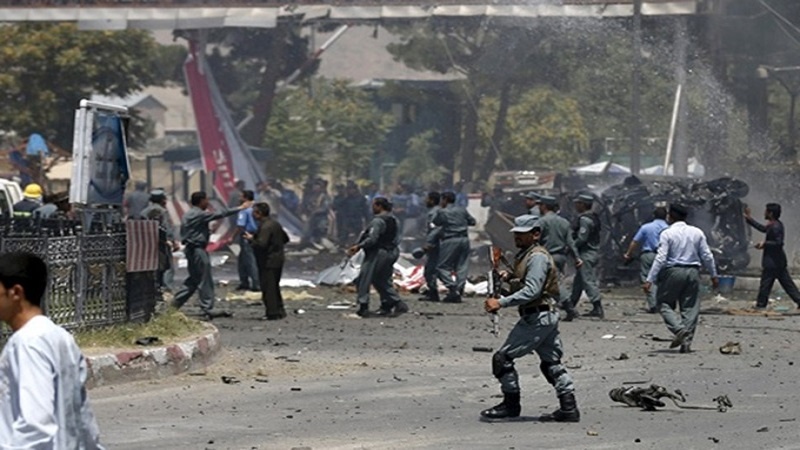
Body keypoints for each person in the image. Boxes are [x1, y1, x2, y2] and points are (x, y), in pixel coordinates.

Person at [0, 252, 105, 449]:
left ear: (15, 293)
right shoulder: (59, 337)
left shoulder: (27, 344)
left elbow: (35, 425)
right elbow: (82, 418)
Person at [480, 215, 580, 422]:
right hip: (544, 315)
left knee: (502, 359)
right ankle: (569, 407)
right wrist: (508, 278)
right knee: (551, 363)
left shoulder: (537, 257)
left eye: (522, 234)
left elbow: (532, 291)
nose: (517, 237)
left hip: (537, 316)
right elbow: (526, 283)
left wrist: (501, 302)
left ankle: (511, 405)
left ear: (535, 234)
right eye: (516, 233)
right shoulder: (527, 255)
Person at [644, 204, 719, 354]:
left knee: (664, 303)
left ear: (670, 216)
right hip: (693, 272)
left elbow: (661, 258)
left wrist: (649, 279)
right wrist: (714, 275)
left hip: (673, 271)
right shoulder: (697, 232)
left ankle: (679, 330)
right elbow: (707, 255)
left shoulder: (667, 233)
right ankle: (686, 342)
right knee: (690, 308)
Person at [172, 191, 245, 321]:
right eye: (206, 200)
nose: (208, 203)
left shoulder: (190, 213)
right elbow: (219, 214)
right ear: (201, 201)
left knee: (194, 280)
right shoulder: (197, 214)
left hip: (193, 250)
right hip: (197, 250)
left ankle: (172, 306)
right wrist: (240, 208)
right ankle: (207, 308)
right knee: (205, 279)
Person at [347, 197, 409, 318]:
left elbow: (372, 239)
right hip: (392, 252)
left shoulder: (378, 221)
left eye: (374, 205)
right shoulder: (394, 219)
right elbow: (397, 238)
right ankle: (393, 303)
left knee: (364, 279)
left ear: (379, 206)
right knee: (382, 279)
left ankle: (363, 306)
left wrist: (359, 246)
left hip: (378, 253)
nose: (372, 208)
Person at [744, 203, 800, 309]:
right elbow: (763, 229)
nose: (764, 213)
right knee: (787, 284)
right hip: (777, 262)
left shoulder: (776, 226)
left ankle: (760, 305)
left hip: (774, 262)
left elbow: (779, 243)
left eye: (766, 211)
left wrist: (765, 244)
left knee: (766, 284)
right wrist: (749, 219)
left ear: (770, 213)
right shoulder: (773, 224)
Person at [537, 195, 582, 320]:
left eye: (540, 205)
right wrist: (577, 258)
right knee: (551, 283)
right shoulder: (564, 222)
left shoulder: (542, 221)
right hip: (561, 257)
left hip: (547, 256)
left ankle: (569, 307)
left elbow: (536, 240)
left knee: (554, 283)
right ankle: (551, 309)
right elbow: (571, 242)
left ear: (544, 206)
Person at [247, 202, 290, 321]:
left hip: (268, 261)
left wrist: (251, 240)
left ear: (259, 213)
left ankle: (272, 313)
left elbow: (261, 244)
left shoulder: (265, 226)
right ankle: (279, 310)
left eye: (254, 212)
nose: (252, 215)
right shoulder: (275, 224)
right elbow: (285, 239)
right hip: (278, 259)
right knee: (274, 286)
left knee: (268, 287)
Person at [432, 191, 476, 303]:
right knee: (462, 266)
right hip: (464, 239)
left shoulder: (442, 211)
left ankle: (452, 288)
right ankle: (459, 289)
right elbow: (472, 221)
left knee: (442, 267)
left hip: (451, 239)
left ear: (445, 200)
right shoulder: (462, 210)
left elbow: (436, 222)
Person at [623, 206, 669, 313]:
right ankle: (662, 304)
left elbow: (635, 242)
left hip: (648, 255)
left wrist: (628, 254)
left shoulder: (646, 227)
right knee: (662, 280)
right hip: (663, 256)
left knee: (648, 279)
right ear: (666, 216)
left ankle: (653, 305)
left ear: (653, 215)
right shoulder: (669, 228)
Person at [568, 194, 604, 319]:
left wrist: (571, 246)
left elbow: (582, 238)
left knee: (588, 280)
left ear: (583, 204)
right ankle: (570, 305)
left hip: (586, 253)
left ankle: (597, 306)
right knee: (579, 281)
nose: (575, 206)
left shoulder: (585, 219)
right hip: (592, 253)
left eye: (578, 203)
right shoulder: (593, 217)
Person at [141, 189, 179, 292]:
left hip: (148, 244)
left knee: (152, 267)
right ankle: (166, 289)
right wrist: (172, 241)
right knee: (167, 267)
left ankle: (154, 288)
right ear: (162, 200)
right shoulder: (162, 211)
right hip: (162, 243)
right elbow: (165, 227)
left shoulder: (144, 212)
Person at [235, 190, 260, 292]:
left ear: (245, 198)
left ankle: (255, 283)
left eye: (241, 197)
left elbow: (240, 226)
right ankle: (244, 281)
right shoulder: (257, 208)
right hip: (256, 235)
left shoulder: (244, 211)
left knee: (250, 260)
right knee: (242, 260)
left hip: (246, 236)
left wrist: (232, 237)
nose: (239, 199)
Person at [420, 191, 442, 302]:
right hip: (437, 243)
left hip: (435, 244)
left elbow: (434, 230)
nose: (425, 201)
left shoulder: (434, 213)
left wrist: (429, 243)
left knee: (430, 269)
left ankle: (434, 293)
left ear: (432, 200)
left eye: (427, 199)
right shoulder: (436, 211)